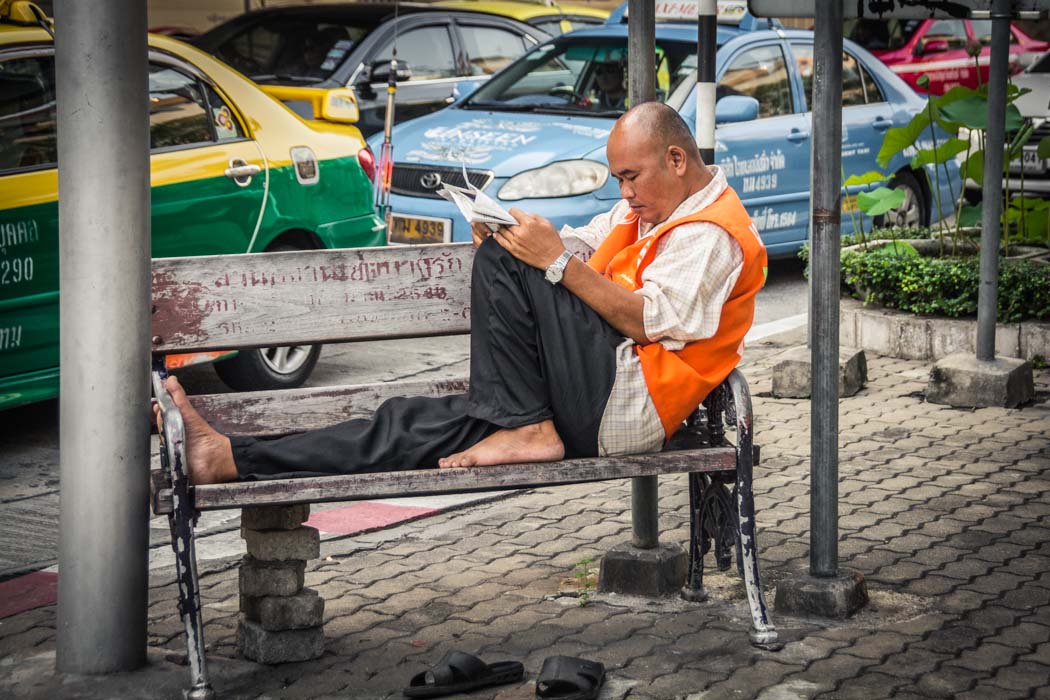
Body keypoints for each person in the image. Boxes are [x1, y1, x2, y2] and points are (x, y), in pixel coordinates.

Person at [157, 102, 767, 485]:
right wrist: (522, 233)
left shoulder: (714, 234)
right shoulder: (651, 210)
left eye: (630, 178)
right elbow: (582, 243)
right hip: (570, 392)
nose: (625, 194)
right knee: (404, 426)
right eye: (618, 181)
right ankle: (233, 459)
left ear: (677, 159)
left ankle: (527, 429)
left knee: (517, 257)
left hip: (624, 407)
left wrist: (545, 259)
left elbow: (646, 322)